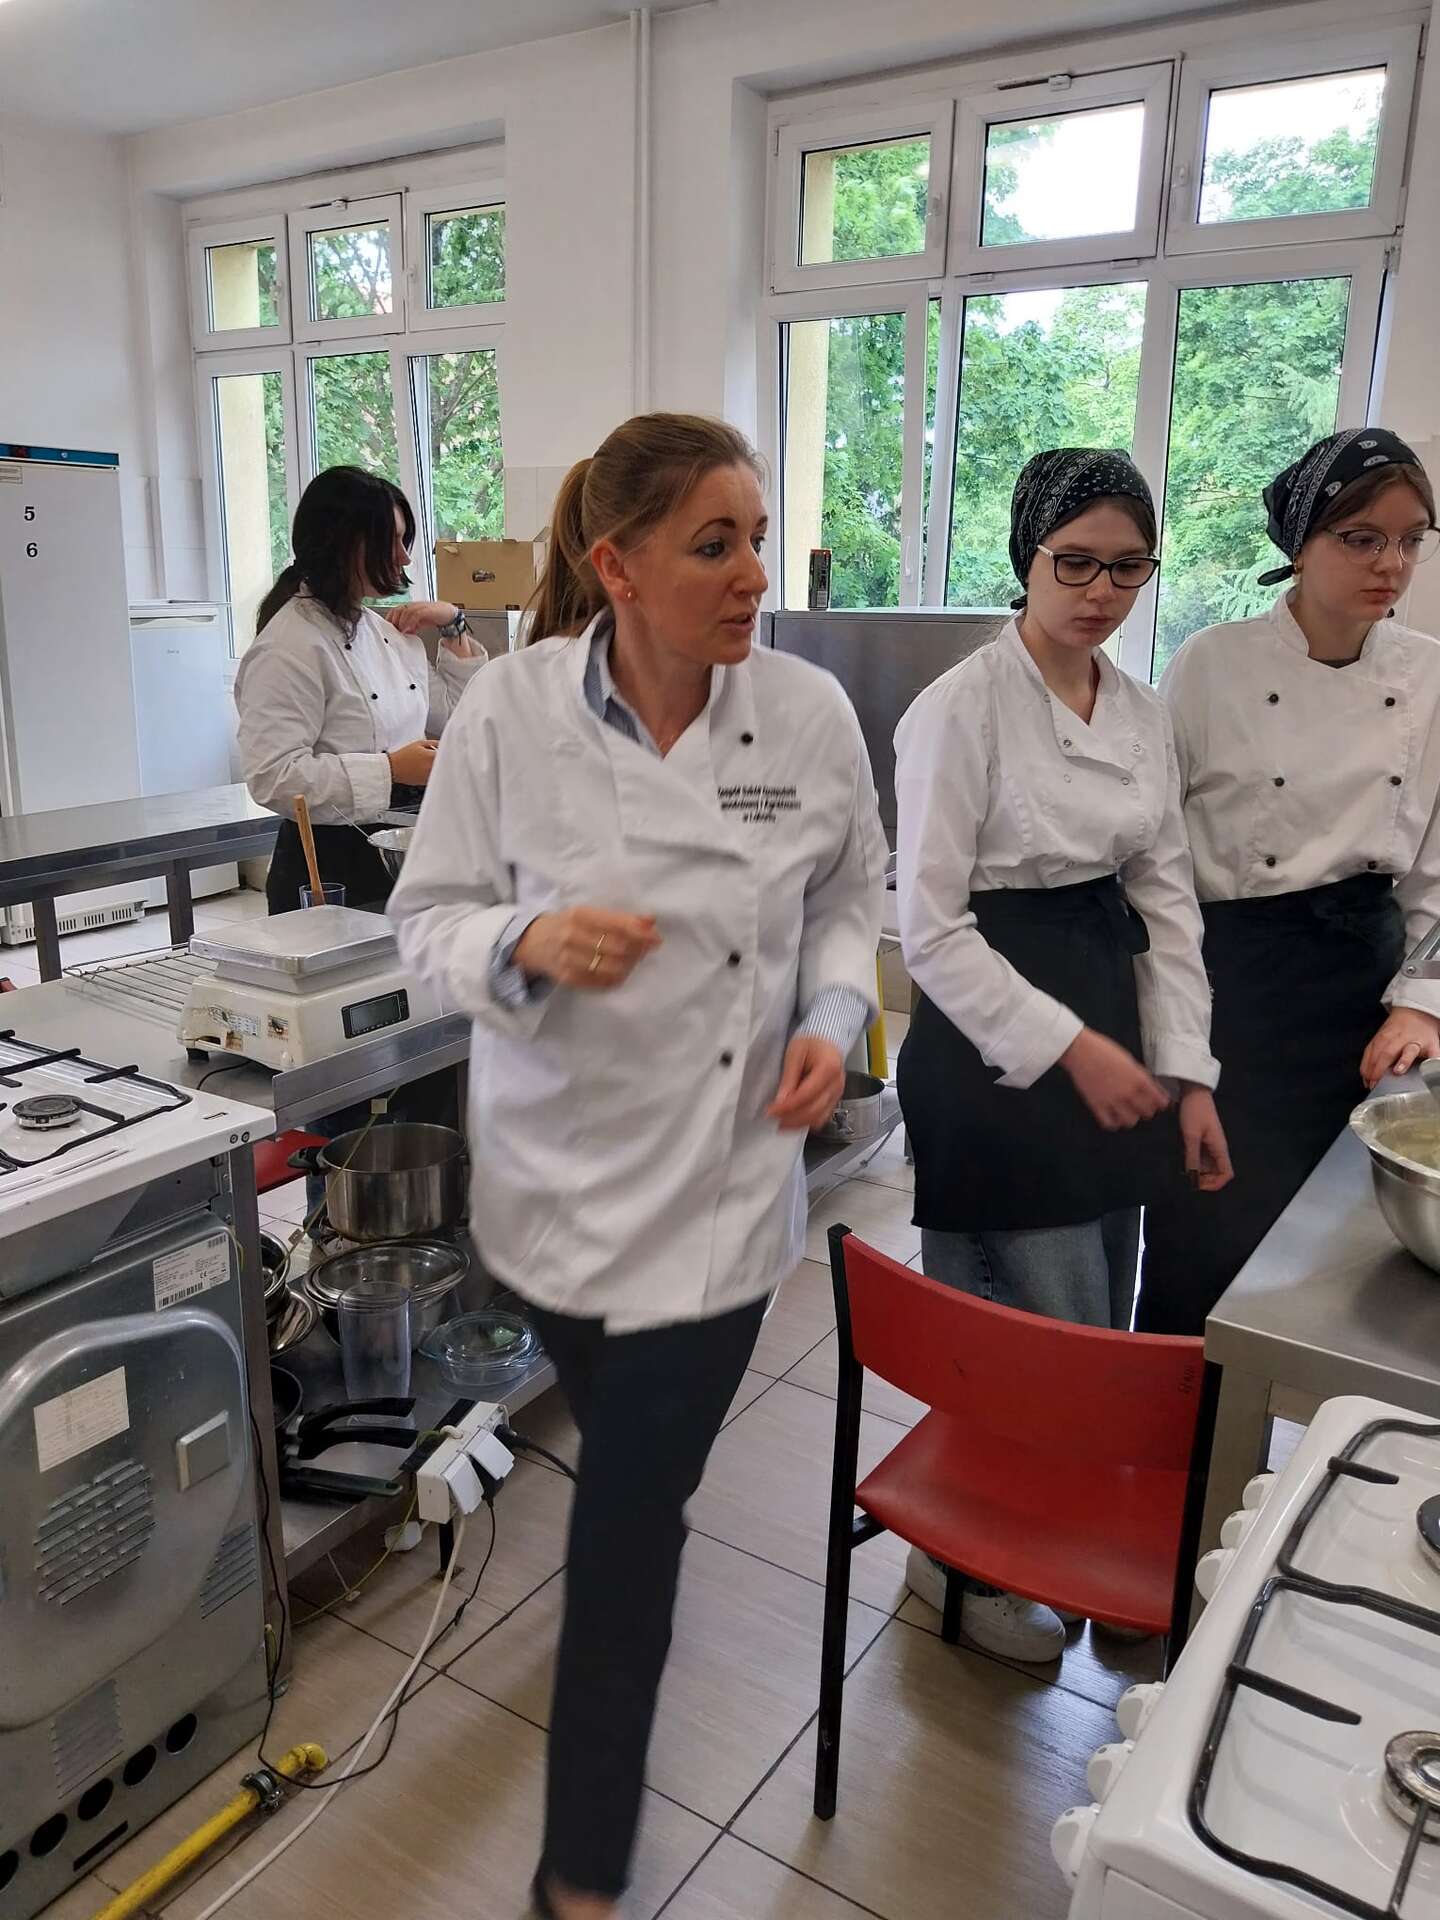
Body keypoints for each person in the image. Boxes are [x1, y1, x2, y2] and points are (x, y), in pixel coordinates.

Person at [388, 413, 886, 1920]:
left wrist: (834, 1018)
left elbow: (849, 901)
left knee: (622, 1524)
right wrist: (526, 938)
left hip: (725, 1197)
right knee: (635, 1483)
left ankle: (580, 1878)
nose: (753, 576)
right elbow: (426, 928)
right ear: (616, 567)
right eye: (713, 545)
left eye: (756, 540)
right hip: (552, 1192)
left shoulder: (804, 714)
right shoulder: (511, 710)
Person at [893, 447, 1232, 1662]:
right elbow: (928, 929)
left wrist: (1188, 1078)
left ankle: (1056, 1527)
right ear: (1025, 558)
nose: (1101, 592)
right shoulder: (960, 708)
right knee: (1020, 1328)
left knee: (1096, 1318)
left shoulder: (1138, 713)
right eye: (1074, 563)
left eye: (1128, 568)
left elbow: (1169, 905)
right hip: (993, 1048)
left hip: (1110, 1029)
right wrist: (1067, 1048)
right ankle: (965, 1562)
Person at [1137, 428, 1440, 1336]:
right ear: (1300, 543)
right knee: (1204, 1242)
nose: (1391, 564)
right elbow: (1156, 853)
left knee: (1329, 1265)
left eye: (1412, 539)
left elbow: (1437, 868)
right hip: (1232, 997)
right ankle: (1169, 1415)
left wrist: (1421, 1005)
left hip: (1364, 1005)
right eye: (1362, 538)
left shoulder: (1430, 675)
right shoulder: (1212, 663)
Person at [235, 464, 485, 915]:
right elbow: (274, 777)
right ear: (344, 544)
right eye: (392, 541)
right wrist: (390, 770)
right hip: (327, 867)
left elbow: (455, 719)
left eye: (405, 541)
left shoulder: (387, 633)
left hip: (405, 851)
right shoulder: (288, 647)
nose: (404, 558)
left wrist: (453, 624)